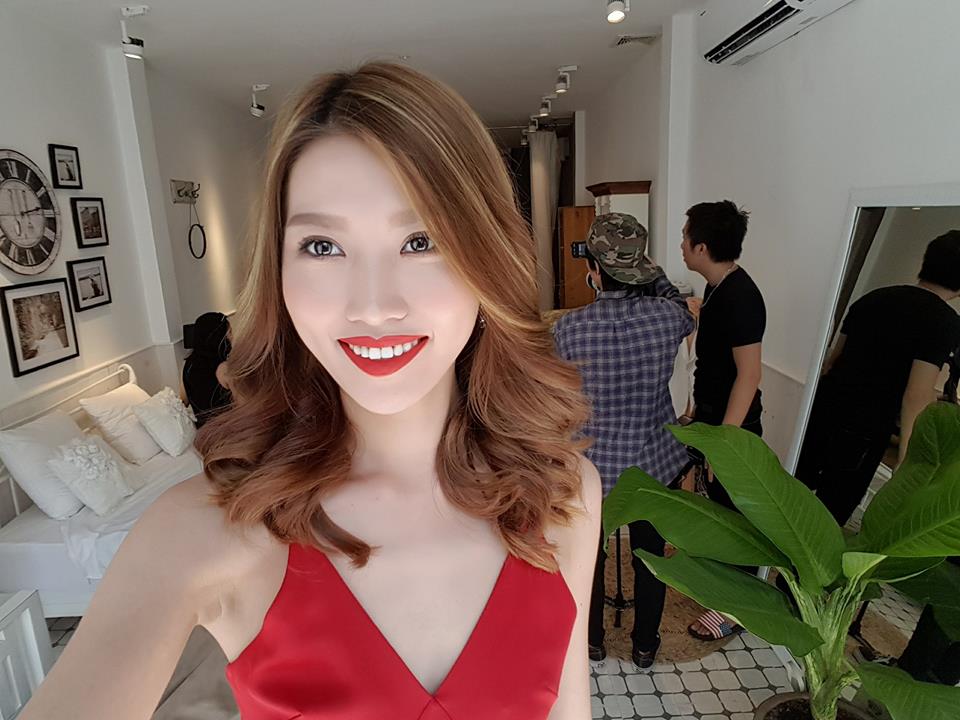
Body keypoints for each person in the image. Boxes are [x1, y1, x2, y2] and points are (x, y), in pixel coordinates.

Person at [21, 63, 601, 720]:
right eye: (322, 246)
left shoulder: (563, 493)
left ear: (487, 258)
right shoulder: (204, 529)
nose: (373, 306)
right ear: (279, 272)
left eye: (421, 240)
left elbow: (569, 708)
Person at [552, 213, 694, 669]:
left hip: (592, 468)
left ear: (593, 268)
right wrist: (647, 272)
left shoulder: (567, 330)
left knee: (589, 556)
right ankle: (645, 645)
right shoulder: (668, 318)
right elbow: (678, 302)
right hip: (652, 464)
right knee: (650, 558)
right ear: (642, 266)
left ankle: (592, 642)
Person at [796, 230, 960, 526]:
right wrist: (907, 457)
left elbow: (833, 360)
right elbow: (917, 394)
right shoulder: (944, 322)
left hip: (824, 409)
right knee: (828, 515)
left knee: (791, 494)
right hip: (864, 428)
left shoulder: (873, 297)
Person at [680, 199, 766, 641]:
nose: (681, 243)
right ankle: (714, 583)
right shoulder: (715, 288)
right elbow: (712, 367)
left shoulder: (742, 297)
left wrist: (724, 444)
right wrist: (695, 413)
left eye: (685, 236)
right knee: (714, 508)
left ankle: (734, 610)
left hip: (734, 428)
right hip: (712, 419)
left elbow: (749, 376)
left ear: (702, 247)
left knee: (737, 520)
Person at [180, 311, 233, 426]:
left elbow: (183, 401)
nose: (232, 337)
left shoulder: (188, 366)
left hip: (204, 430)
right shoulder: (224, 369)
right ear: (219, 338)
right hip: (226, 430)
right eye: (229, 333)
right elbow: (244, 406)